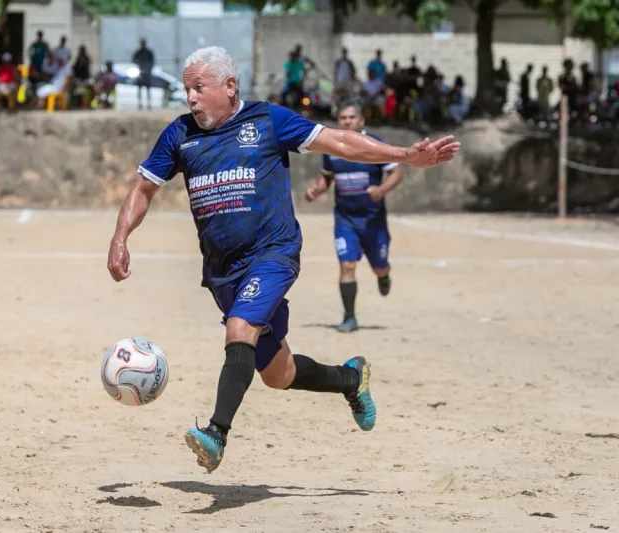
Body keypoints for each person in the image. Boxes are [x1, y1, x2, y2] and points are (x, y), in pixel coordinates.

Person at [106, 46, 460, 473]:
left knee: (240, 329)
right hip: (223, 272)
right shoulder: (180, 135)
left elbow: (341, 142)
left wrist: (403, 155)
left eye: (198, 88)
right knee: (278, 373)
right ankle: (351, 378)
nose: (190, 98)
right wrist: (120, 236)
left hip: (273, 254)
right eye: (186, 90)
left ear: (229, 85)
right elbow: (144, 189)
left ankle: (216, 433)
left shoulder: (268, 121)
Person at [304, 102, 403, 332]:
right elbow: (326, 177)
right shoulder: (331, 147)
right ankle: (350, 317)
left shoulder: (374, 144)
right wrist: (317, 189)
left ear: (361, 121)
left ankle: (383, 274)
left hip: (372, 220)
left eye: (351, 117)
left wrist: (381, 190)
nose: (347, 121)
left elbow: (396, 172)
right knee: (347, 265)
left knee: (378, 266)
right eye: (342, 118)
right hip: (345, 219)